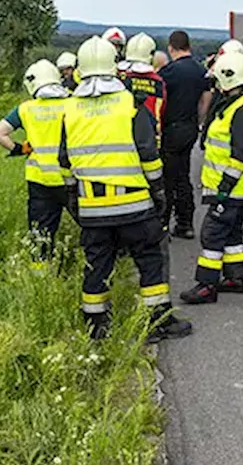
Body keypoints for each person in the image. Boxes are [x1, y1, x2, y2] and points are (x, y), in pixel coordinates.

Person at [58, 36, 192, 342]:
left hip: (92, 208)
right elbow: (148, 154)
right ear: (114, 68)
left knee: (97, 265)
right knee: (150, 261)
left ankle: (96, 327)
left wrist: (72, 197)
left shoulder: (71, 109)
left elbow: (64, 161)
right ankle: (158, 323)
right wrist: (158, 192)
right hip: (134, 206)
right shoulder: (129, 104)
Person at [180, 52, 243, 304]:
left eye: (218, 80)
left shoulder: (242, 113)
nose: (215, 85)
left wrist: (224, 188)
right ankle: (234, 278)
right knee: (231, 233)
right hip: (235, 188)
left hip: (231, 188)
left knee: (212, 233)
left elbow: (240, 156)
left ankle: (206, 285)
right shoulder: (235, 107)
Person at [0, 59, 71, 273]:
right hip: (71, 178)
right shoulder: (73, 104)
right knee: (90, 227)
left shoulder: (25, 109)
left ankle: (40, 275)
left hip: (39, 180)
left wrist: (19, 148)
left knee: (41, 234)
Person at [159, 30, 215, 239]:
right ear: (189, 46)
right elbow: (206, 98)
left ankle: (164, 224)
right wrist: (199, 121)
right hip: (190, 127)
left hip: (172, 129)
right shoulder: (200, 71)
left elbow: (160, 103)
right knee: (183, 175)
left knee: (168, 179)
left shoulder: (168, 72)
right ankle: (185, 223)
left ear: (171, 48)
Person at [119, 33, 167, 142]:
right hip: (149, 136)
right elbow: (162, 110)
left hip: (122, 134)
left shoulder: (118, 76)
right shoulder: (158, 81)